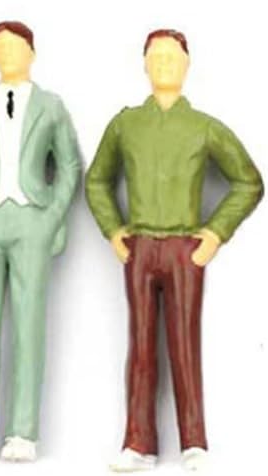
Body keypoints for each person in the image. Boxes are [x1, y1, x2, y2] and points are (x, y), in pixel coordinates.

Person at [85, 29, 263, 472]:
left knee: (185, 346)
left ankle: (194, 440)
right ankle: (137, 441)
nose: (164, 63)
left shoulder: (203, 127)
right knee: (140, 347)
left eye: (172, 57)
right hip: (140, 248)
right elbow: (97, 180)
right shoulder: (127, 124)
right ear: (144, 64)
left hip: (185, 249)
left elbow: (249, 181)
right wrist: (113, 231)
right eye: (156, 57)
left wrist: (214, 234)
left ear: (187, 65)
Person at [0, 21, 81, 464]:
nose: (6, 54)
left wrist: (51, 215)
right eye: (0, 47)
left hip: (31, 219)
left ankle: (23, 432)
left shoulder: (51, 105)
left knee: (29, 326)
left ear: (31, 54)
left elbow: (69, 165)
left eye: (15, 47)